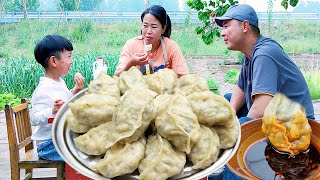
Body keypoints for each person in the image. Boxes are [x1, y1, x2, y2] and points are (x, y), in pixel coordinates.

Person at [214, 4, 314, 124]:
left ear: (245, 26)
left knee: (240, 127)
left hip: (297, 127)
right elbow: (241, 88)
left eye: (226, 26)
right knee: (229, 100)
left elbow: (261, 109)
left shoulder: (264, 54)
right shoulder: (249, 53)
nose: (222, 33)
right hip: (276, 115)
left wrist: (235, 129)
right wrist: (228, 117)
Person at [31, 34, 85, 161]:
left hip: (58, 139)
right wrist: (52, 111)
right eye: (69, 56)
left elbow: (65, 101)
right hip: (48, 145)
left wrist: (76, 90)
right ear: (54, 61)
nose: (71, 61)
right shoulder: (44, 88)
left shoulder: (59, 81)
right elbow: (34, 118)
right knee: (86, 152)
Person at [114, 5, 189, 77]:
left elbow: (184, 78)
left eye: (154, 27)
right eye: (145, 25)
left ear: (163, 29)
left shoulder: (171, 46)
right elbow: (117, 76)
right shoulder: (131, 45)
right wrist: (131, 63)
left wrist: (165, 75)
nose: (148, 31)